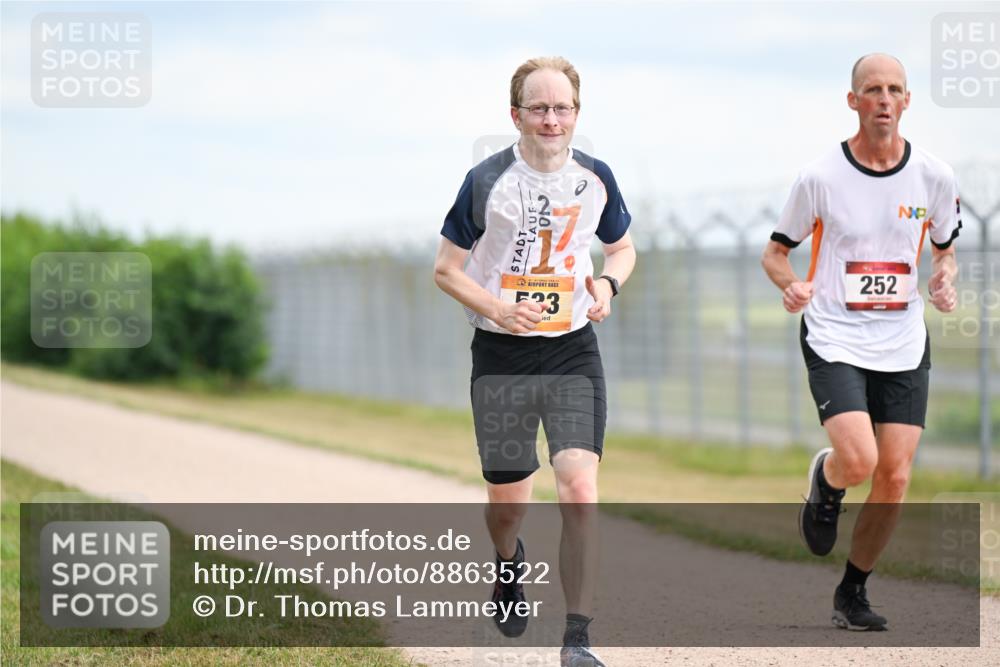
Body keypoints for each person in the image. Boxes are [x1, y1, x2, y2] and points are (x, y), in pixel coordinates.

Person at [434, 56, 635, 666]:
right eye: (540, 108)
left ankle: (577, 639)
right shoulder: (486, 180)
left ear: (577, 113)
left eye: (563, 108)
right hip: (501, 356)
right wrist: (496, 307)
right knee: (509, 505)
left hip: (573, 350)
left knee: (578, 486)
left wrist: (607, 286)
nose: (552, 119)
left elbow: (621, 248)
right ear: (515, 113)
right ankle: (508, 563)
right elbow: (445, 271)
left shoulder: (596, 177)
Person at [762, 53, 960, 631]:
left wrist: (944, 276)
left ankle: (853, 592)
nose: (882, 98)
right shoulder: (820, 177)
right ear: (853, 101)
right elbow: (776, 252)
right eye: (871, 89)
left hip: (902, 338)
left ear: (906, 102)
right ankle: (827, 479)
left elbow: (945, 248)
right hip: (834, 335)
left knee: (895, 476)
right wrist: (792, 285)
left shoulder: (934, 176)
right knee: (860, 459)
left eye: (894, 89)